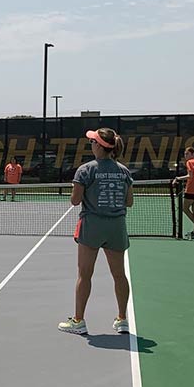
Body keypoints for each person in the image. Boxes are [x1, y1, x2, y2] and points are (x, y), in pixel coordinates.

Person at [58, 128, 133, 336]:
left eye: (93, 142)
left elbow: (75, 201)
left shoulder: (85, 170)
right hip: (117, 227)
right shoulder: (124, 171)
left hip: (92, 226)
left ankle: (79, 321)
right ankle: (122, 319)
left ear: (100, 146)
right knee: (119, 275)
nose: (91, 144)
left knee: (84, 274)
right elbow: (129, 201)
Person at [171, 147, 194, 239]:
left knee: (185, 208)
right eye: (185, 154)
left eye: (187, 154)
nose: (185, 156)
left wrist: (178, 178)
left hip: (191, 190)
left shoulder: (190, 162)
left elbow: (190, 176)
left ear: (193, 154)